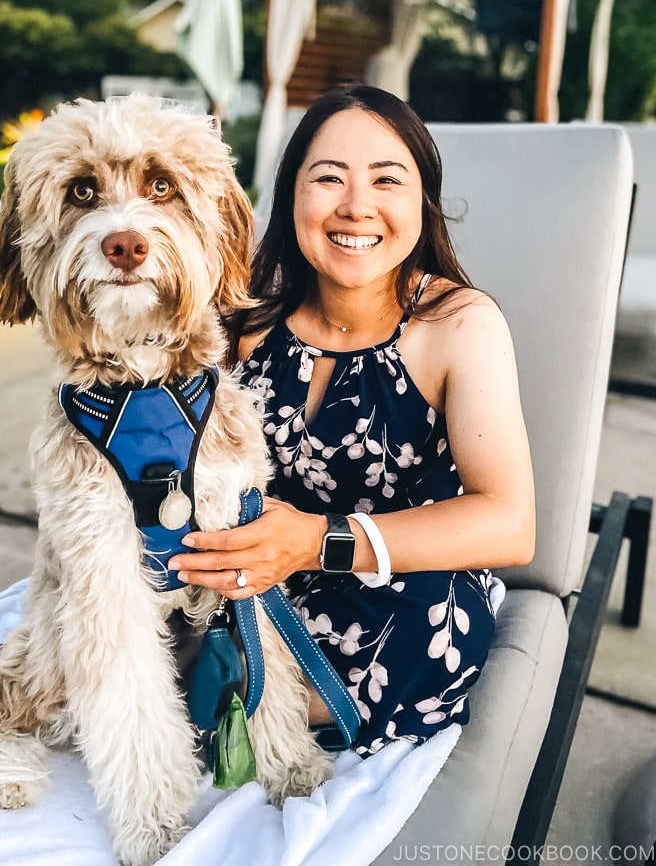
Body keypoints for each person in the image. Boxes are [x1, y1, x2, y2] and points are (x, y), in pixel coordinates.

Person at [169, 83, 535, 756]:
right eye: (328, 177)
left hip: (403, 592)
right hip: (257, 587)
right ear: (294, 196)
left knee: (429, 617)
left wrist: (316, 541)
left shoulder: (458, 327)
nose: (355, 206)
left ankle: (235, 713)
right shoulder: (249, 316)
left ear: (422, 201)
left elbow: (511, 525)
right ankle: (220, 701)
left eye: (386, 180)